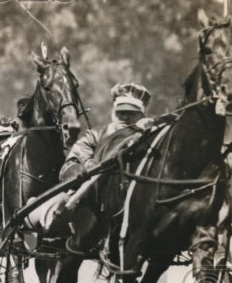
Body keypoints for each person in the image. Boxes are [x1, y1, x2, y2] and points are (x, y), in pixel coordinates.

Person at [28, 82, 152, 235]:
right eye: (121, 112)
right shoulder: (95, 135)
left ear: (142, 115)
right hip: (87, 200)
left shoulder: (149, 138)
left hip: (133, 201)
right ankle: (33, 214)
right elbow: (69, 166)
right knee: (58, 208)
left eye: (131, 113)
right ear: (113, 112)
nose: (125, 117)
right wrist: (88, 167)